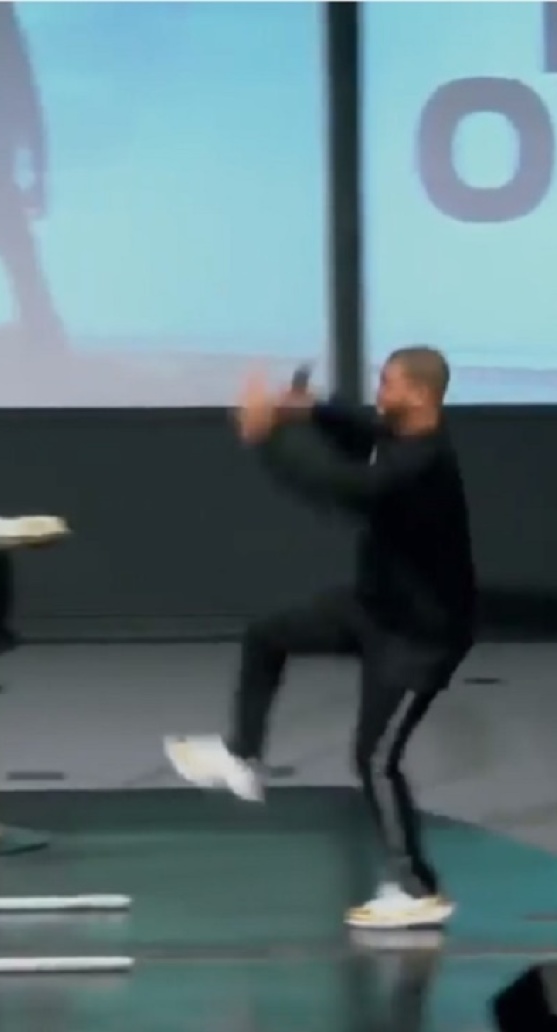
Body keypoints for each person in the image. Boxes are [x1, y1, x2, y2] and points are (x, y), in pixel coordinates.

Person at [165, 347, 477, 929]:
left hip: (423, 637)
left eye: (387, 382)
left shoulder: (420, 464)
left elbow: (343, 487)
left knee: (376, 759)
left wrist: (268, 438)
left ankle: (418, 889)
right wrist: (305, 409)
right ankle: (243, 756)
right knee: (267, 636)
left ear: (418, 393)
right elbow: (360, 424)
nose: (378, 390)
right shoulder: (402, 428)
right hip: (373, 610)